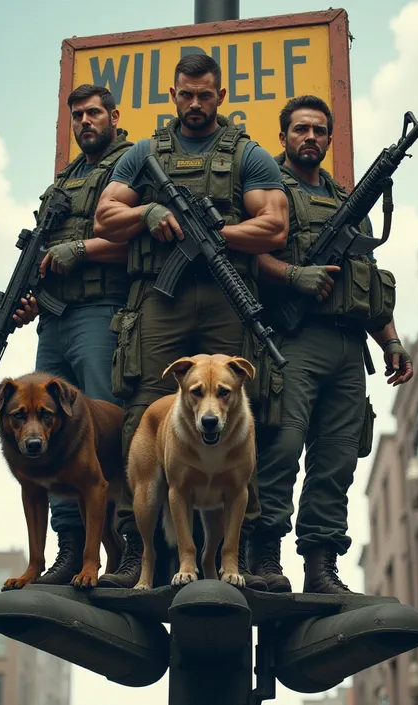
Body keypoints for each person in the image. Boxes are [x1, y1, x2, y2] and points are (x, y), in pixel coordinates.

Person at [93, 53, 289, 589]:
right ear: (173, 94)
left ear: (220, 96)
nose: (195, 104)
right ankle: (137, 553)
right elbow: (105, 216)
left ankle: (241, 553)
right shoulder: (144, 152)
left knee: (245, 417)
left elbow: (274, 226)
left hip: (228, 294)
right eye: (186, 94)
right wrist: (149, 214)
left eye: (205, 94)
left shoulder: (247, 154)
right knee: (142, 413)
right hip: (163, 295)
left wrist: (215, 235)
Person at [248, 94, 413, 594]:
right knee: (282, 448)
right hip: (291, 340)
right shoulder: (266, 191)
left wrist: (391, 341)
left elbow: (365, 281)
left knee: (338, 460)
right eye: (301, 129)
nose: (311, 138)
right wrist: (294, 275)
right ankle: (265, 559)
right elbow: (244, 256)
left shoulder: (348, 201)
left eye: (319, 130)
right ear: (284, 136)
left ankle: (321, 567)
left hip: (347, 350)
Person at [13, 84, 133, 585]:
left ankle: (125, 549)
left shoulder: (132, 164)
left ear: (113, 115)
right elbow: (45, 253)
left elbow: (141, 239)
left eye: (94, 113)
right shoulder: (63, 181)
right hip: (56, 320)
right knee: (52, 437)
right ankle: (67, 553)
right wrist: (31, 299)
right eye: (78, 116)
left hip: (101, 311)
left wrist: (81, 250)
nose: (86, 122)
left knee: (103, 435)